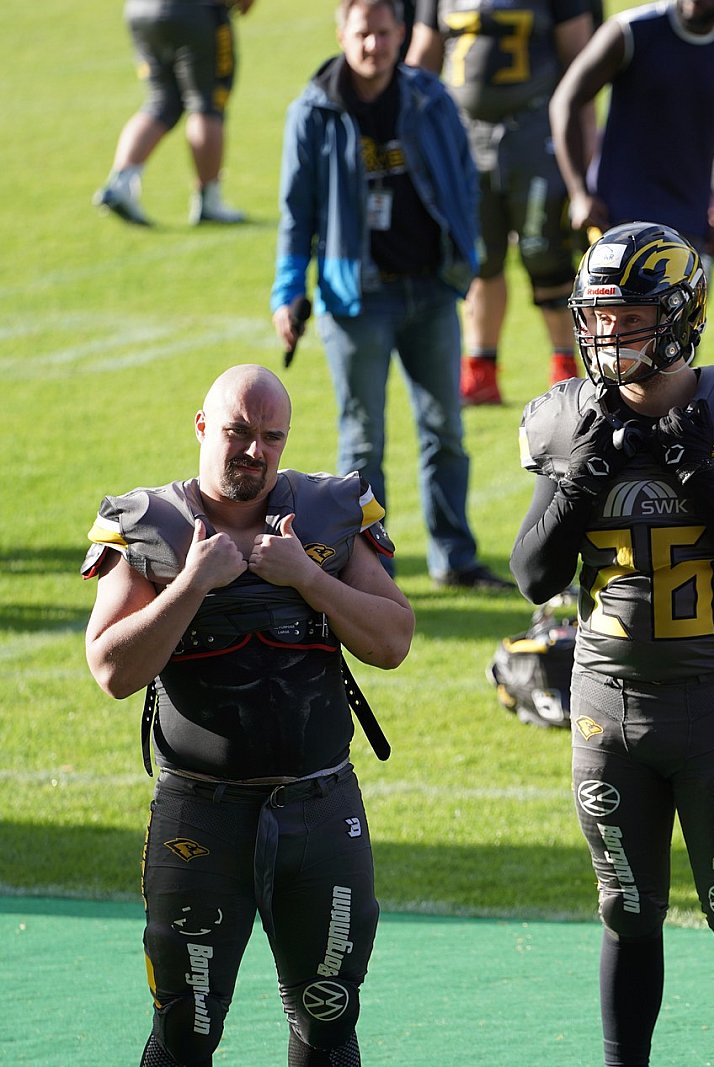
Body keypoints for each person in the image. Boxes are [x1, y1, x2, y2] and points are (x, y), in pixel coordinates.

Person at [510, 221, 714, 1066]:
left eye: (631, 317)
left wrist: (699, 476)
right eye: (598, 316)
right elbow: (532, 575)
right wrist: (582, 479)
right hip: (607, 707)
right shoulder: (565, 420)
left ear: (680, 318)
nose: (609, 334)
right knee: (626, 907)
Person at [82, 364, 413, 1067]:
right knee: (186, 1027)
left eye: (272, 436)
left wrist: (308, 578)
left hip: (318, 804)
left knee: (328, 1019)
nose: (255, 450)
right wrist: (193, 584)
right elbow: (111, 669)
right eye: (238, 431)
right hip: (200, 813)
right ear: (202, 427)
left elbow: (393, 641)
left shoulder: (329, 512)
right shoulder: (145, 523)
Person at [272, 0, 511, 591]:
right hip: (356, 299)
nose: (373, 45)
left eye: (383, 33)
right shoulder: (314, 111)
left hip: (430, 290)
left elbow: (463, 179)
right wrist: (287, 291)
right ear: (341, 35)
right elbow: (296, 212)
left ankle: (455, 559)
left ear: (401, 34)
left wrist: (465, 257)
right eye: (363, 34)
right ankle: (367, 570)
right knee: (363, 443)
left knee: (446, 432)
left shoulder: (429, 99)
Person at [407, 0, 599, 404]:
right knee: (478, 255)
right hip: (463, 135)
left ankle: (566, 366)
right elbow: (421, 60)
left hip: (535, 130)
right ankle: (481, 370)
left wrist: (588, 149)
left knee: (545, 251)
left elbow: (582, 66)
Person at [550, 0, 714, 259]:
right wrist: (579, 193)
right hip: (615, 219)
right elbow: (565, 101)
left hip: (690, 225)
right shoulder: (630, 31)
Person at [94, 0, 252, 226]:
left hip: (140, 10)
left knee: (161, 103)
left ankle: (121, 183)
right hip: (195, 13)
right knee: (207, 104)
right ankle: (209, 200)